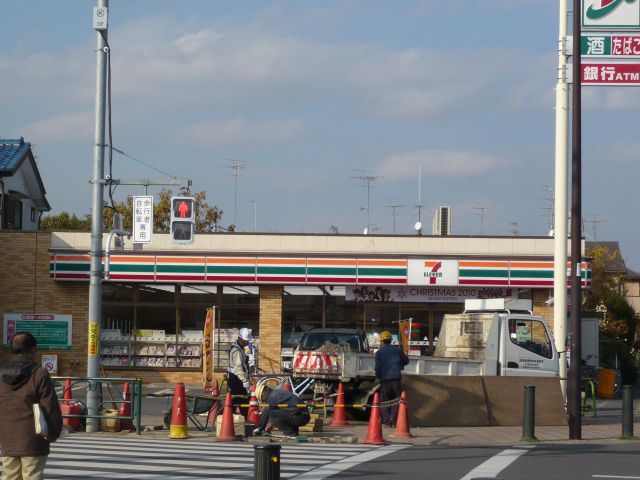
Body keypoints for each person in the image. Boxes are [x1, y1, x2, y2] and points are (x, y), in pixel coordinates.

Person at [0, 332, 63, 480]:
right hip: (34, 437)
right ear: (33, 350)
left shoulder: (1, 373)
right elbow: (50, 406)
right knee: (32, 476)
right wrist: (54, 432)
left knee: (10, 476)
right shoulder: (39, 373)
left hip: (7, 439)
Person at [374, 330, 409, 427]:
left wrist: (379, 376)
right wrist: (399, 365)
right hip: (396, 380)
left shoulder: (379, 353)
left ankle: (386, 421)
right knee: (396, 400)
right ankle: (392, 419)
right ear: (390, 340)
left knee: (384, 401)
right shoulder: (398, 350)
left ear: (381, 341)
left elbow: (377, 368)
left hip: (385, 381)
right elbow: (406, 361)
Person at [227, 327, 253, 415]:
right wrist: (244, 380)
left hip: (237, 378)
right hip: (236, 379)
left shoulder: (241, 348)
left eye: (247, 340)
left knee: (238, 399)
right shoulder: (237, 351)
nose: (247, 342)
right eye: (245, 340)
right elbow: (238, 368)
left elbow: (244, 364)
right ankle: (239, 418)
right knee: (240, 399)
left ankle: (233, 417)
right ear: (239, 338)